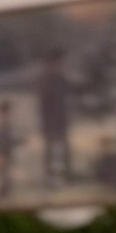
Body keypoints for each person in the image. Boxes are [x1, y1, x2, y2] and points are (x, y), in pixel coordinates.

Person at [38, 49, 72, 184]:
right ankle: (49, 175)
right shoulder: (46, 81)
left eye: (61, 63)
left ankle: (67, 174)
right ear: (52, 64)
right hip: (50, 121)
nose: (61, 66)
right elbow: (43, 105)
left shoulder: (63, 80)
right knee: (50, 150)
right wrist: (45, 122)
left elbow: (69, 95)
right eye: (58, 63)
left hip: (62, 120)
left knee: (65, 149)